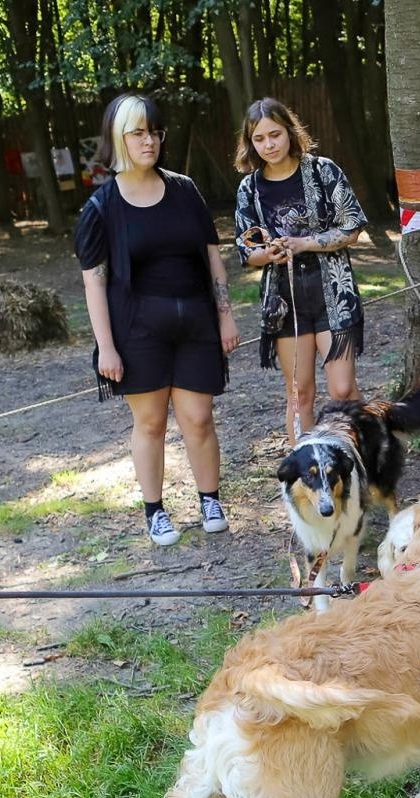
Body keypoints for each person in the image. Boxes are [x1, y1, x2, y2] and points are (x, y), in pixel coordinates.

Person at [75, 93, 241, 547]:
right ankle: (155, 510)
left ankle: (210, 498)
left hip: (196, 324)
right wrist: (106, 347)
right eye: (138, 133)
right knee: (149, 423)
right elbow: (94, 283)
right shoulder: (101, 207)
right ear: (118, 138)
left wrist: (226, 318)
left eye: (154, 132)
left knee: (199, 418)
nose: (149, 141)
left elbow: (213, 259)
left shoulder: (185, 190)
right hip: (137, 330)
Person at [231, 99, 368, 445]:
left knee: (342, 388)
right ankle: (307, 480)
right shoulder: (249, 189)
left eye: (275, 134)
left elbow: (352, 226)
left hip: (333, 292)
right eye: (259, 139)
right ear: (250, 143)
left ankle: (365, 457)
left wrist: (305, 242)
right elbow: (246, 250)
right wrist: (269, 253)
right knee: (298, 393)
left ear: (290, 132)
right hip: (285, 299)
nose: (269, 145)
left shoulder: (324, 171)